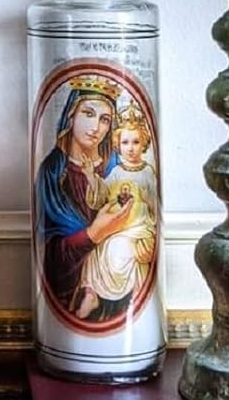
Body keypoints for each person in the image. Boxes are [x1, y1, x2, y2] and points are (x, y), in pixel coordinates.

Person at [35, 76, 135, 325]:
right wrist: (93, 233)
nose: (96, 127)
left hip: (119, 289)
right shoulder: (53, 172)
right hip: (70, 294)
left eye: (105, 119)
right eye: (88, 114)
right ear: (71, 115)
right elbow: (51, 255)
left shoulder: (117, 166)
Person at [75, 108, 158, 320]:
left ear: (144, 144)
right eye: (125, 142)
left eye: (135, 142)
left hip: (138, 229)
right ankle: (91, 294)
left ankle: (137, 295)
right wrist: (91, 176)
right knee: (94, 254)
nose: (130, 148)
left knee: (123, 249)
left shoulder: (147, 172)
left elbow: (155, 206)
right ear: (118, 145)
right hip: (116, 227)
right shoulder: (117, 171)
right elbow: (102, 195)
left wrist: (147, 200)